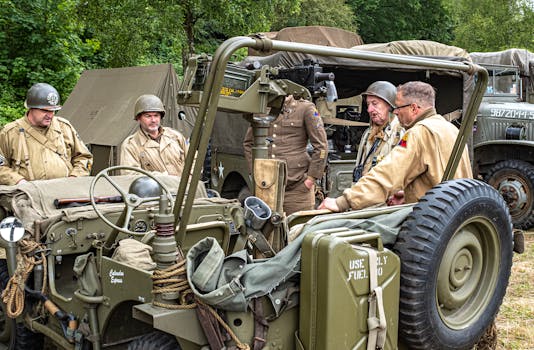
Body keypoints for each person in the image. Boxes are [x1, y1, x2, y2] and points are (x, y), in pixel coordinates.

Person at [318, 81, 473, 212]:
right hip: (454, 215)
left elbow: (388, 173)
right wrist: (407, 193)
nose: (396, 112)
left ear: (414, 108)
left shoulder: (418, 133)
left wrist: (342, 202)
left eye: (399, 107)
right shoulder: (451, 129)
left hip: (430, 219)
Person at [243, 95, 328, 215]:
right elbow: (249, 144)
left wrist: (310, 179)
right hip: (267, 187)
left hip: (297, 190)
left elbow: (321, 146)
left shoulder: (305, 108)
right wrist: (256, 173)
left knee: (298, 229)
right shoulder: (263, 108)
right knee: (267, 232)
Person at [0, 83, 93, 185]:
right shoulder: (10, 133)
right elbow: (1, 167)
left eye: (53, 111)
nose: (50, 115)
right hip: (28, 195)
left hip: (65, 193)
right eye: (45, 110)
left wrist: (74, 177)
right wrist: (18, 181)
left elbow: (84, 157)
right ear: (31, 108)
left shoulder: (64, 127)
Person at [120, 94, 188, 176]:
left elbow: (193, 159)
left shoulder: (175, 136)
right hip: (157, 188)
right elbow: (130, 175)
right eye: (148, 116)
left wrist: (190, 179)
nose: (153, 120)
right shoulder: (131, 145)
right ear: (138, 118)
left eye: (156, 115)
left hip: (184, 187)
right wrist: (161, 177)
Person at [353, 81, 404, 182]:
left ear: (390, 105)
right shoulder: (368, 133)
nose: (369, 109)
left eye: (375, 104)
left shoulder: (401, 134)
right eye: (368, 104)